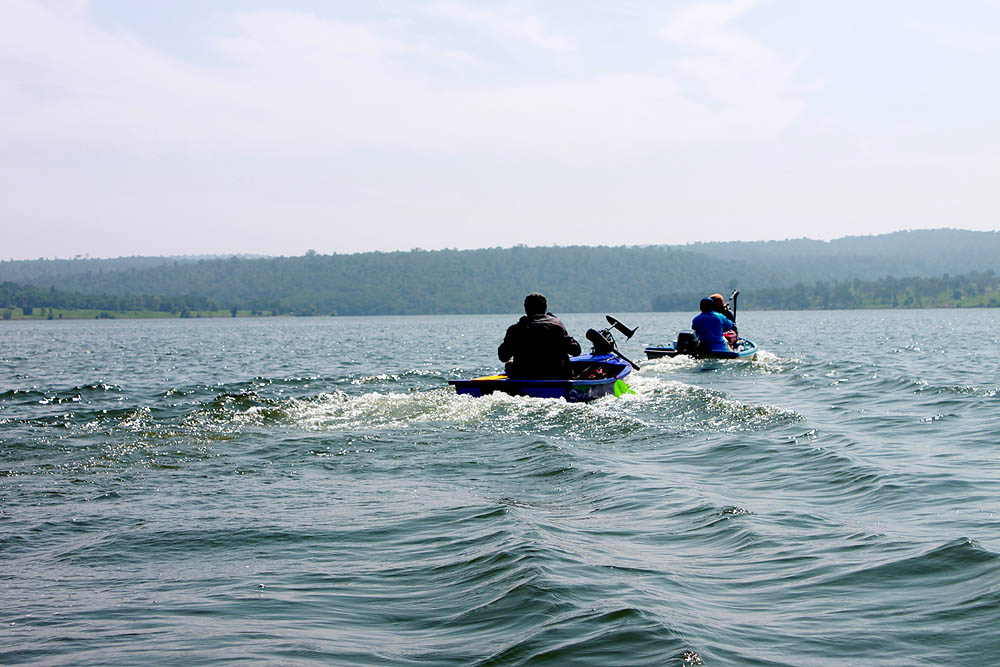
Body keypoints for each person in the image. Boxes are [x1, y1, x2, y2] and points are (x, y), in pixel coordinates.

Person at [498, 293, 581, 379]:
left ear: (526, 308)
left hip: (523, 376)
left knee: (509, 365)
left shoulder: (515, 329)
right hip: (555, 376)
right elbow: (576, 351)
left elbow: (503, 357)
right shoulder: (556, 325)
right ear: (545, 308)